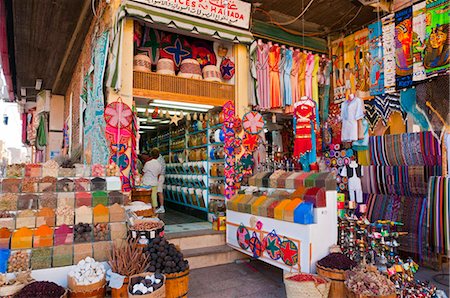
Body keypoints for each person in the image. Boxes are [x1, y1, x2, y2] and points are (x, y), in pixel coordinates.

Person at [156, 149, 166, 214]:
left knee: (159, 192)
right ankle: (160, 206)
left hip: (160, 176)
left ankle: (162, 207)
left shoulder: (159, 160)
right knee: (159, 192)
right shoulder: (160, 158)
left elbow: (159, 170)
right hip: (160, 176)